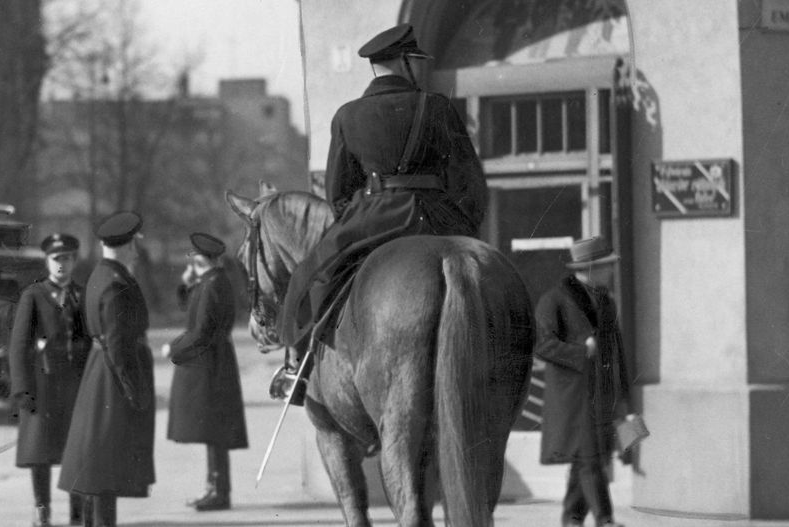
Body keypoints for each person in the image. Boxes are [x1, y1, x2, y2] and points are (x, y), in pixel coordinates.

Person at [275, 23, 488, 391]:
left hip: (374, 216)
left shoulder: (347, 115)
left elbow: (338, 191)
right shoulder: (438, 107)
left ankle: (297, 366)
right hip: (438, 217)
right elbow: (470, 180)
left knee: (309, 275)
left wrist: (358, 216)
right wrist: (465, 223)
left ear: (377, 67)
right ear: (405, 62)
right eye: (416, 62)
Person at [57, 211, 155, 527]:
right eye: (135, 245)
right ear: (128, 246)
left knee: (98, 469)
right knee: (105, 472)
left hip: (100, 376)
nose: (137, 251)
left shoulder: (101, 275)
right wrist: (135, 391)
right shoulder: (115, 285)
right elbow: (119, 347)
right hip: (112, 380)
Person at [534, 237, 631, 527]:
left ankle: (572, 518)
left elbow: (617, 353)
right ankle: (605, 519)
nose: (612, 270)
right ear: (590, 268)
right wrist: (580, 351)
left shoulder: (605, 301)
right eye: (607, 266)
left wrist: (624, 399)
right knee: (590, 458)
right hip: (573, 399)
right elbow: (542, 345)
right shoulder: (554, 300)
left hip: (600, 396)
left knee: (587, 458)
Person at [9, 234, 92, 527]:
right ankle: (41, 508)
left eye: (67, 259)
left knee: (76, 449)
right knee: (40, 451)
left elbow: (90, 340)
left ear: (74, 261)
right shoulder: (33, 295)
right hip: (42, 386)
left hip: (74, 386)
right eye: (56, 259)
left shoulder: (82, 295)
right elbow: (19, 345)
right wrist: (21, 388)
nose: (62, 265)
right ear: (47, 262)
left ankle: (77, 508)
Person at [161, 232, 248, 511]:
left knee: (215, 432)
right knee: (213, 432)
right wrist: (185, 285)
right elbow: (192, 311)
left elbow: (199, 331)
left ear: (201, 259)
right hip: (213, 361)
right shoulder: (211, 282)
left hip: (212, 363)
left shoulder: (212, 285)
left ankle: (219, 492)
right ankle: (215, 489)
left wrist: (172, 350)